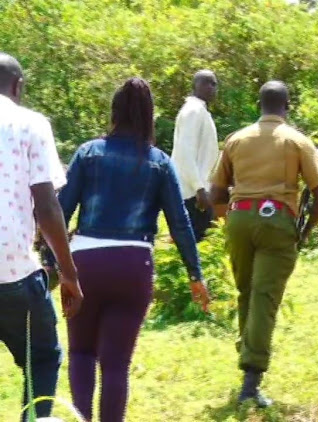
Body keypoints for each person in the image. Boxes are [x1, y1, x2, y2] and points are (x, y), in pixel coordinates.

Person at [56, 78, 210, 422]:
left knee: (81, 352)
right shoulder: (158, 161)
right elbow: (181, 224)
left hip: (85, 264)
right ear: (149, 117)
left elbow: (61, 210)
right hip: (133, 265)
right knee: (116, 365)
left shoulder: (88, 153)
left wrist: (53, 264)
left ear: (113, 112)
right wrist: (195, 275)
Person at [210, 80, 318, 407]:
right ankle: (251, 379)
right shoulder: (297, 141)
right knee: (264, 297)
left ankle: (247, 348)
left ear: (259, 105)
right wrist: (303, 232)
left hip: (238, 219)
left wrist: (230, 222)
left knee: (247, 292)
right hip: (277, 220)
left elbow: (216, 193)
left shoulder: (236, 139)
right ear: (286, 106)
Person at [0, 52, 83, 421]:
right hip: (13, 273)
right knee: (43, 358)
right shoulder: (29, 123)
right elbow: (47, 206)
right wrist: (68, 272)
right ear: (18, 86)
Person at [171, 70, 219, 242]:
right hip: (192, 194)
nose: (212, 88)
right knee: (196, 245)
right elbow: (185, 152)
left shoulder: (200, 111)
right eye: (208, 83)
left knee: (203, 244)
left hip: (198, 192)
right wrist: (199, 188)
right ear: (196, 86)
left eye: (215, 84)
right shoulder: (193, 111)